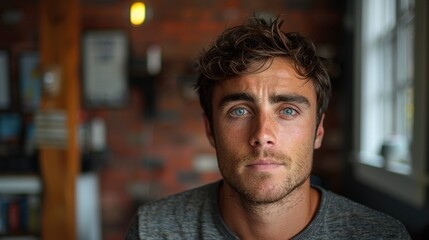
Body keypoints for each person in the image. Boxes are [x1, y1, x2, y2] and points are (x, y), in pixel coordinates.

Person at [125, 16, 411, 240]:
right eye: (239, 111)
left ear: (318, 131)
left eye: (288, 111)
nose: (262, 135)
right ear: (210, 129)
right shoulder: (155, 231)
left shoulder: (380, 235)